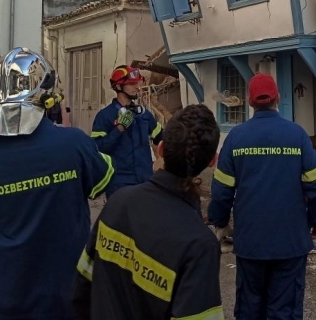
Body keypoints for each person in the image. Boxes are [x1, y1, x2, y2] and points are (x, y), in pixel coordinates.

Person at [0, 47, 114, 320]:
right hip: (63, 297)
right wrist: (65, 127)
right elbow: (101, 179)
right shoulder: (74, 144)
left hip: (1, 296)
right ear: (48, 98)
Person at [72, 104, 225, 320]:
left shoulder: (117, 204)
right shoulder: (200, 244)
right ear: (213, 161)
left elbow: (81, 288)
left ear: (161, 149)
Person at [208, 73, 316, 320]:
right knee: (284, 310)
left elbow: (221, 190)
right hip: (290, 241)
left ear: (250, 102)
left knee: (250, 308)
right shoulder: (297, 136)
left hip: (250, 243)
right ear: (278, 98)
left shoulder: (235, 138)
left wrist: (220, 222)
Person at [91, 65, 163, 198]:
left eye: (137, 83)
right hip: (119, 183)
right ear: (118, 87)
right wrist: (119, 129)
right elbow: (97, 148)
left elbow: (161, 138)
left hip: (145, 180)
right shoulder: (105, 116)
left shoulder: (143, 114)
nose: (137, 87)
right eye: (131, 84)